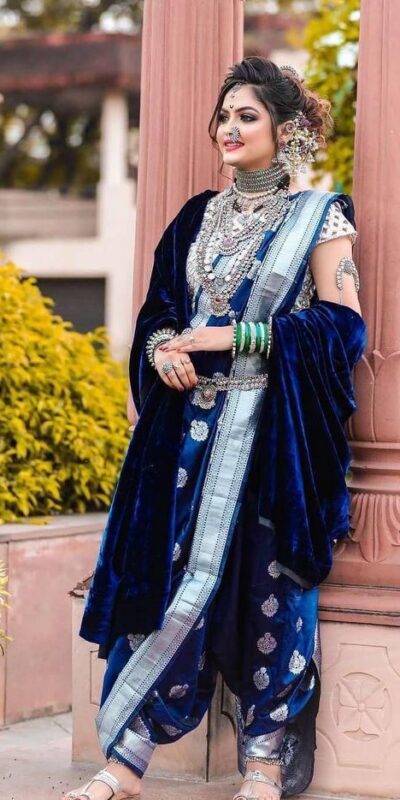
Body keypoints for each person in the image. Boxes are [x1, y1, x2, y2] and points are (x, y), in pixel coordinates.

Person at [67, 58, 367, 800]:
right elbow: (159, 314)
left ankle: (263, 763)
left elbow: (343, 327)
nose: (229, 129)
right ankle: (125, 763)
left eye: (247, 116)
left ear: (286, 130)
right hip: (182, 442)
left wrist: (238, 337)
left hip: (269, 442)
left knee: (269, 590)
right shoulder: (196, 217)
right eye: (224, 116)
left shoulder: (318, 217)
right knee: (163, 583)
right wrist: (164, 349)